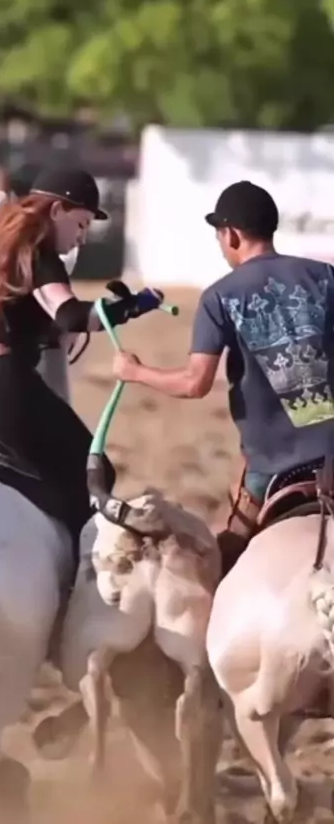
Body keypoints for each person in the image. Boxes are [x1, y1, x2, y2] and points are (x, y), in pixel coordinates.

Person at [0, 164, 162, 556]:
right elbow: (71, 316)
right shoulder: (38, 253)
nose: (81, 238)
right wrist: (134, 305)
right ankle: (78, 571)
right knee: (92, 470)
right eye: (81, 224)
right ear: (56, 210)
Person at [112, 180, 334, 570]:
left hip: (274, 465)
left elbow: (194, 383)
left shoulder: (220, 296)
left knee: (225, 561)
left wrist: (135, 371)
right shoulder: (326, 276)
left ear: (231, 235)